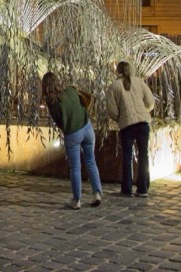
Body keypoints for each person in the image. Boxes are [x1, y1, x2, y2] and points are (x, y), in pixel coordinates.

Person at [41, 72, 103, 210]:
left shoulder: (52, 104)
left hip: (73, 134)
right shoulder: (70, 90)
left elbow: (59, 122)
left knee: (75, 167)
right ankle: (97, 193)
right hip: (87, 128)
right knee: (91, 161)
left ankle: (77, 200)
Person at [108, 61, 155, 198]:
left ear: (117, 71)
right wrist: (144, 111)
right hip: (143, 123)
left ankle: (127, 189)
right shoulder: (139, 82)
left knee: (127, 156)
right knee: (143, 156)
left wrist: (120, 117)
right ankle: (143, 188)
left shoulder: (114, 87)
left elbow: (111, 109)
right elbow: (150, 101)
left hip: (127, 125)